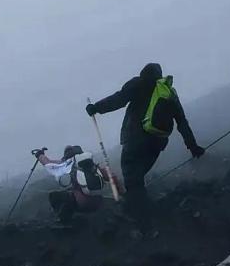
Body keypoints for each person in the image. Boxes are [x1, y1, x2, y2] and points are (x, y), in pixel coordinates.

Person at [86, 63, 205, 234]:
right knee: (137, 180)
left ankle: (144, 226)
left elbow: (118, 99)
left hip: (133, 141)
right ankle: (139, 213)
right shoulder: (168, 93)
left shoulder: (138, 83)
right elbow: (182, 122)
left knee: (133, 182)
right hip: (156, 145)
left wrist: (95, 108)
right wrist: (193, 147)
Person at [35, 145, 108, 224]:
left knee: (54, 196)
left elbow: (48, 163)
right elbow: (112, 177)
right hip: (99, 202)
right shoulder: (93, 166)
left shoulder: (68, 164)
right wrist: (121, 192)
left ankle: (64, 221)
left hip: (82, 204)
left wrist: (40, 155)